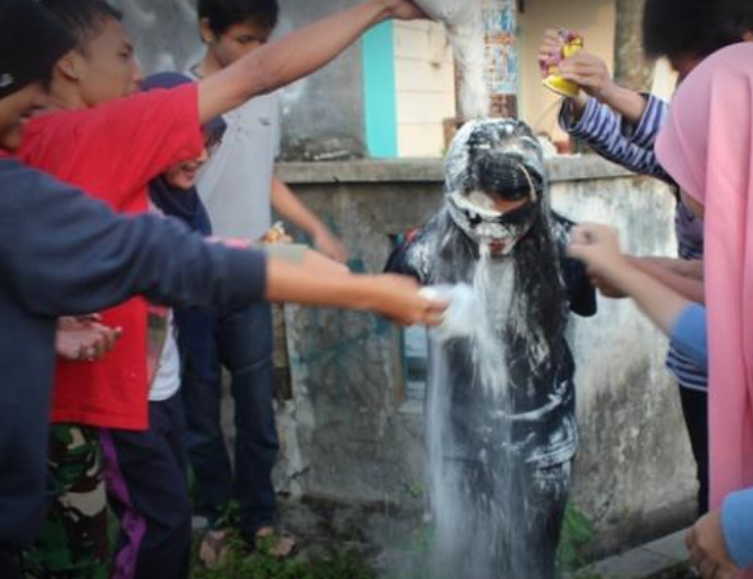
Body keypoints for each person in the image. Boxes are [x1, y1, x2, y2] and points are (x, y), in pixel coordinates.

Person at [0, 7, 443, 578]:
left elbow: (198, 248)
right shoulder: (82, 136)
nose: (137, 72)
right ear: (66, 66)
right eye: (123, 53)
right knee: (145, 527)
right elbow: (256, 79)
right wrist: (378, 7)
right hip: (108, 400)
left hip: (131, 386)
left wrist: (349, 281)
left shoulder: (40, 156)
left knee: (156, 512)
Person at [539, 0, 753, 515]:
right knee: (725, 495)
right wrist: (638, 271)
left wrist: (635, 275)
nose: (685, 177)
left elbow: (742, 330)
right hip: (711, 369)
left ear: (747, 46)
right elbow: (731, 304)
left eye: (691, 77)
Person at [573, 43, 753, 579]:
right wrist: (629, 273)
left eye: (696, 161)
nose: (684, 192)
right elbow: (736, 347)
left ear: (747, 156)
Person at [385, 119, 596, 579]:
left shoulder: (568, 246)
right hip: (460, 441)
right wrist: (420, 309)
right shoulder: (422, 253)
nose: (496, 231)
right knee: (465, 563)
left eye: (513, 207)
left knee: (534, 563)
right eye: (482, 208)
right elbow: (391, 308)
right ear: (456, 189)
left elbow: (583, 302)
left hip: (544, 441)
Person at [183, 0, 352, 561]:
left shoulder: (268, 93)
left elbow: (265, 172)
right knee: (200, 409)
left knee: (258, 407)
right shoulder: (177, 98)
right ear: (208, 30)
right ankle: (214, 518)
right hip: (192, 276)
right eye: (243, 41)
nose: (257, 55)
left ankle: (259, 518)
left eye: (263, 42)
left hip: (254, 274)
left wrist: (313, 228)